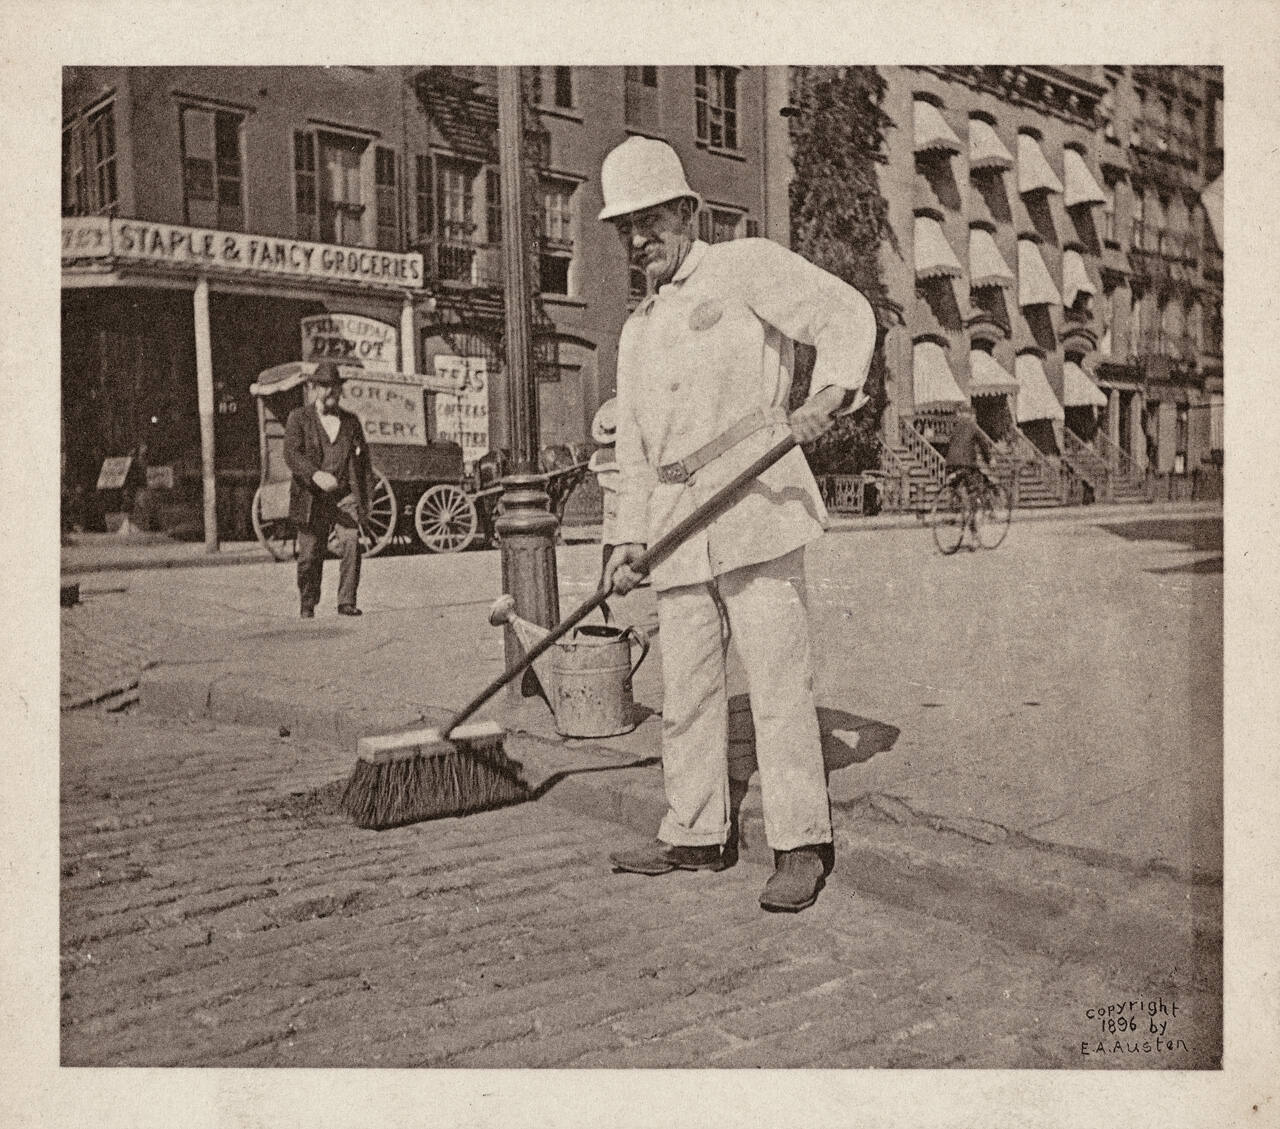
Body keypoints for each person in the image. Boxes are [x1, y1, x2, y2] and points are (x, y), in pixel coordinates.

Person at [597, 136, 876, 913]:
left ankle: (800, 842)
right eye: (627, 228)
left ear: (688, 212)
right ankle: (693, 831)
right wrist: (627, 539)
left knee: (779, 683)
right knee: (687, 687)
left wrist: (829, 393)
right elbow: (633, 448)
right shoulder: (637, 328)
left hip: (756, 506)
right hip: (676, 524)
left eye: (652, 220)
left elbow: (845, 313)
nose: (640, 240)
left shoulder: (745, 265)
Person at [283, 360, 375, 619]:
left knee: (351, 544)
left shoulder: (350, 422)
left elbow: (364, 463)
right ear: (314, 388)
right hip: (311, 497)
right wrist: (315, 474)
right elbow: (291, 454)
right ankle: (308, 602)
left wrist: (365, 501)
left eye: (334, 386)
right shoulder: (299, 418)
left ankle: (346, 601)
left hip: (343, 496)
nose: (330, 392)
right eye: (324, 386)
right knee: (309, 556)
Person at [943, 403, 994, 530]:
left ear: (961, 415)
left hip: (951, 463)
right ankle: (974, 531)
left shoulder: (955, 427)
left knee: (955, 487)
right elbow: (983, 444)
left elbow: (948, 444)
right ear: (970, 415)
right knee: (973, 492)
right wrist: (990, 460)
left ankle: (953, 512)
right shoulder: (973, 426)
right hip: (967, 464)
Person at [587, 397, 621, 582]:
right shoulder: (623, 454)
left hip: (610, 498)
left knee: (610, 533)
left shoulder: (600, 456)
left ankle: (605, 577)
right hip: (623, 496)